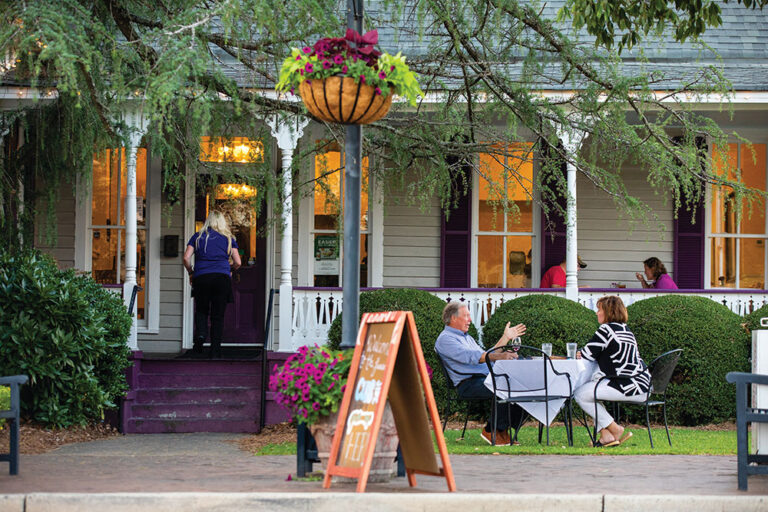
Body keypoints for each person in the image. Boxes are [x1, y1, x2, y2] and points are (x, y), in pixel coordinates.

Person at [435, 302, 527, 446]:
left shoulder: (467, 338)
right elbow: (473, 356)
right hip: (467, 384)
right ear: (453, 318)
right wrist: (500, 357)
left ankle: (502, 430)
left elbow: (487, 355)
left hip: (484, 379)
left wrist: (506, 338)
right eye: (466, 316)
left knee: (524, 385)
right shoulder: (446, 339)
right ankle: (491, 430)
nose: (470, 320)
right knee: (504, 386)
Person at [573, 295, 651, 447]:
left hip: (628, 386)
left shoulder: (606, 329)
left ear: (608, 312)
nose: (596, 313)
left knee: (581, 394)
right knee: (592, 390)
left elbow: (587, 354)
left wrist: (580, 352)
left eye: (599, 309)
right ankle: (606, 436)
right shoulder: (626, 330)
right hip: (643, 384)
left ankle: (615, 429)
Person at [183, 211, 242, 358]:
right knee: (218, 315)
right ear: (222, 222)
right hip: (221, 278)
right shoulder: (228, 238)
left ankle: (201, 336)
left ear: (207, 221)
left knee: (202, 310)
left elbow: (186, 258)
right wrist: (230, 269)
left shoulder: (197, 237)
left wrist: (191, 272)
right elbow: (238, 262)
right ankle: (215, 350)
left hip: (201, 277)